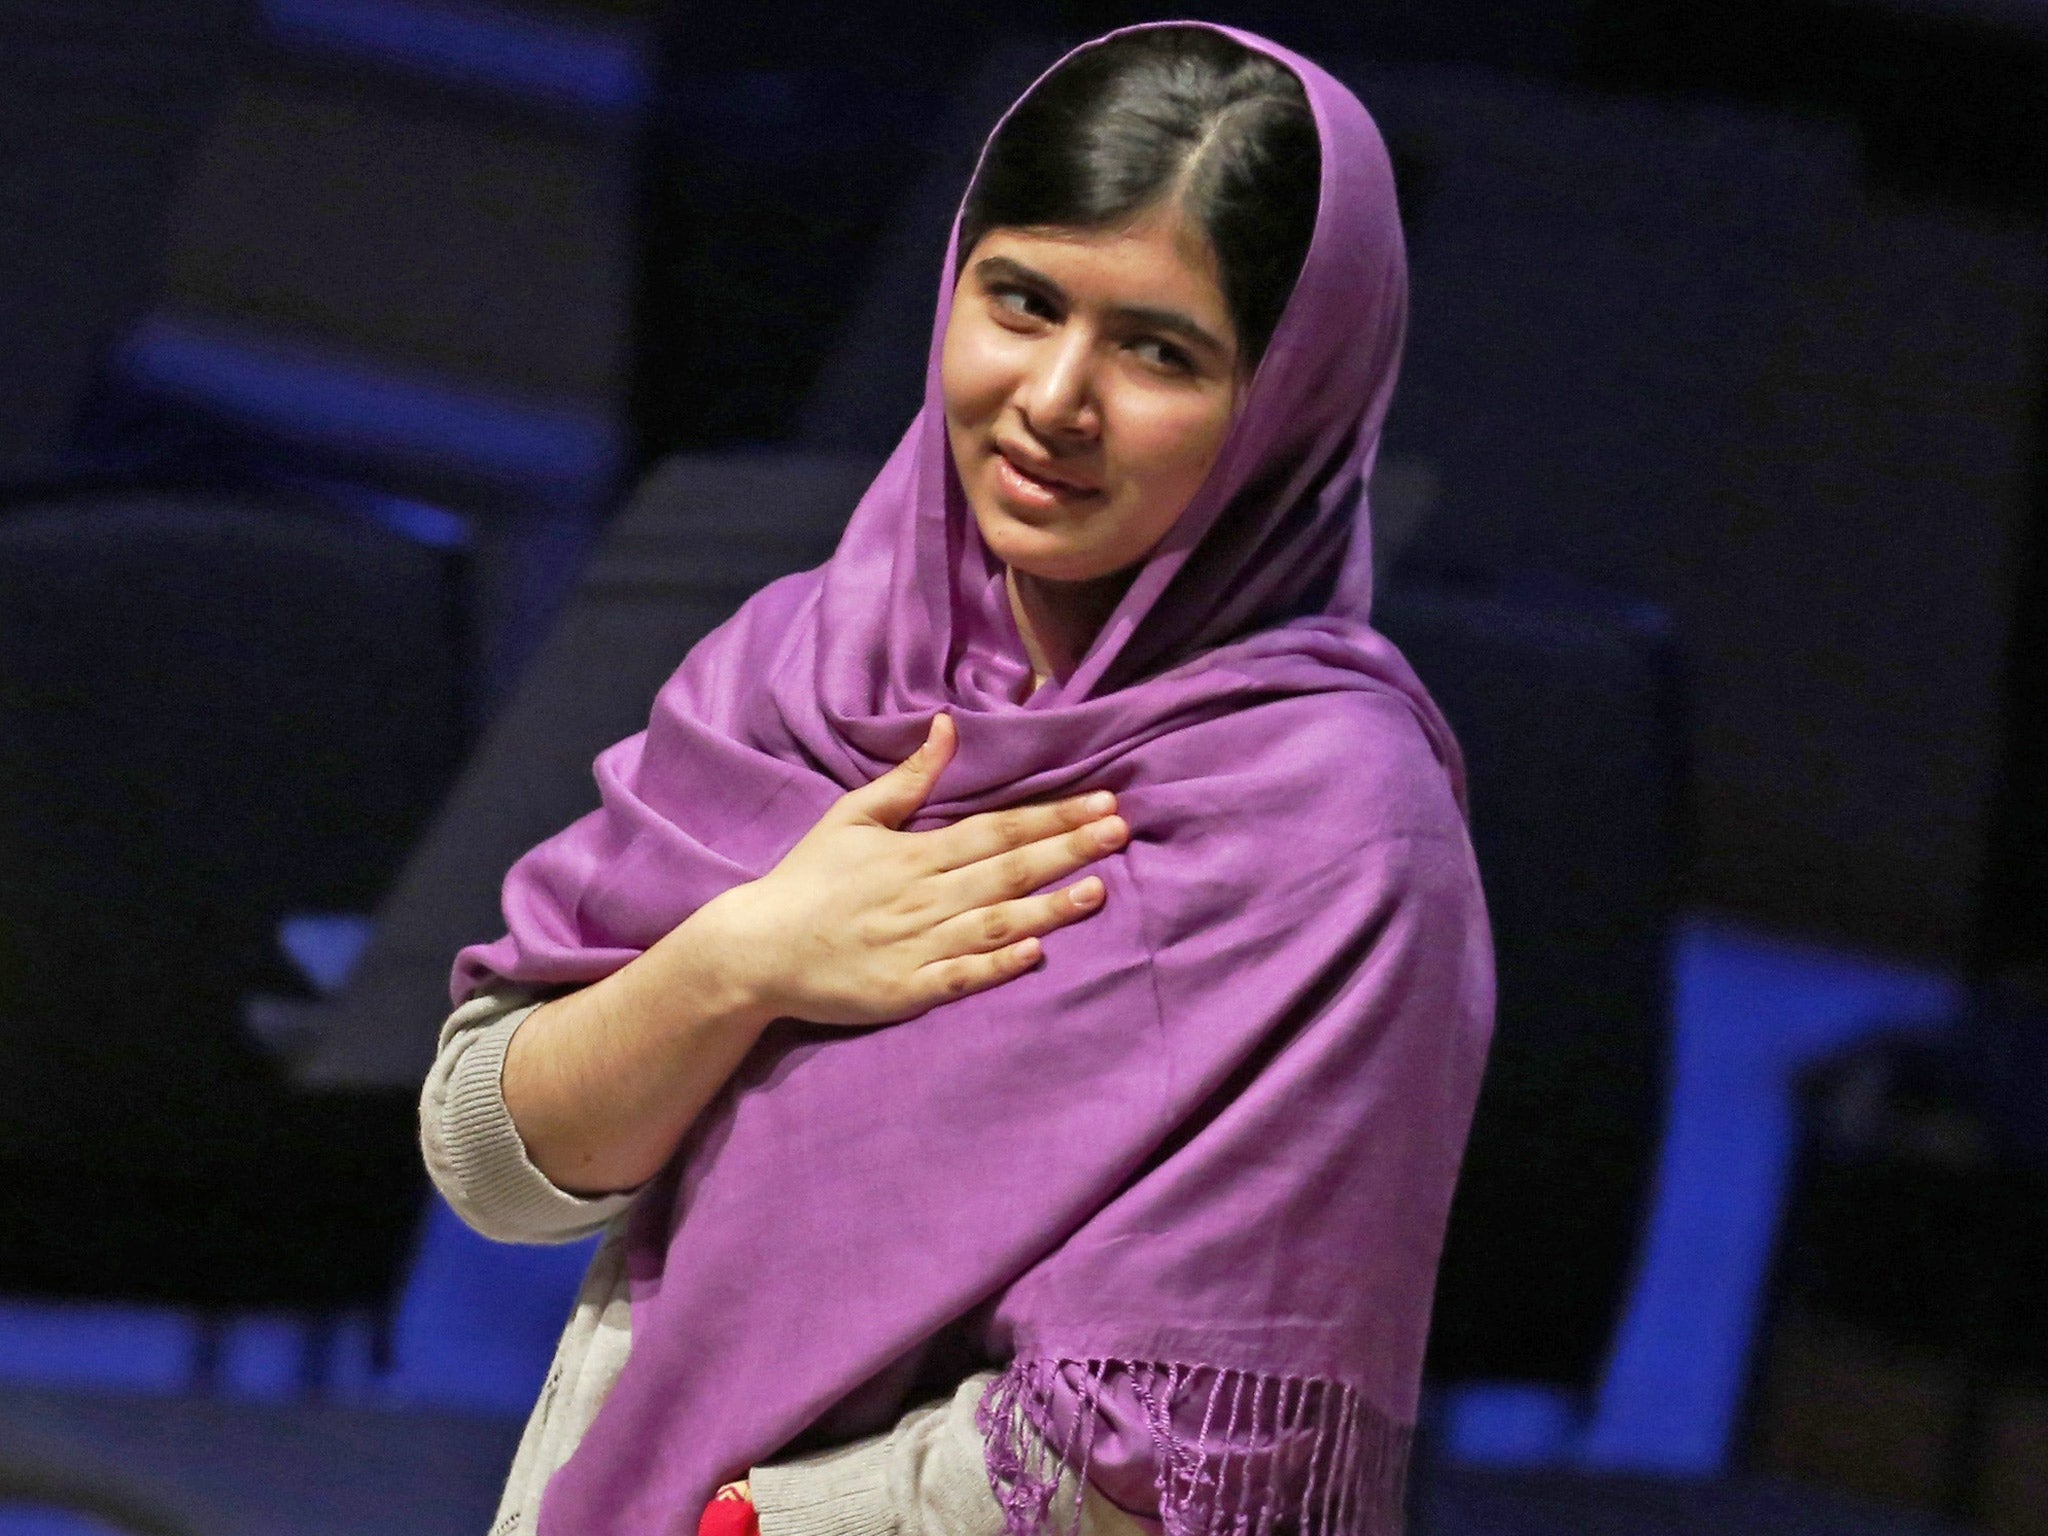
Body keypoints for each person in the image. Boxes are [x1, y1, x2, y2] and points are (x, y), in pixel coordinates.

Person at [421, 21, 1494, 1536]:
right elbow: (491, 1162)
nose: (1058, 396)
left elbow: (1175, 1456)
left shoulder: (1336, 831)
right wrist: (739, 960)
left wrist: (734, 1527)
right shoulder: (805, 659)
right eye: (1024, 300)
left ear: (1289, 403)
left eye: (1159, 350)